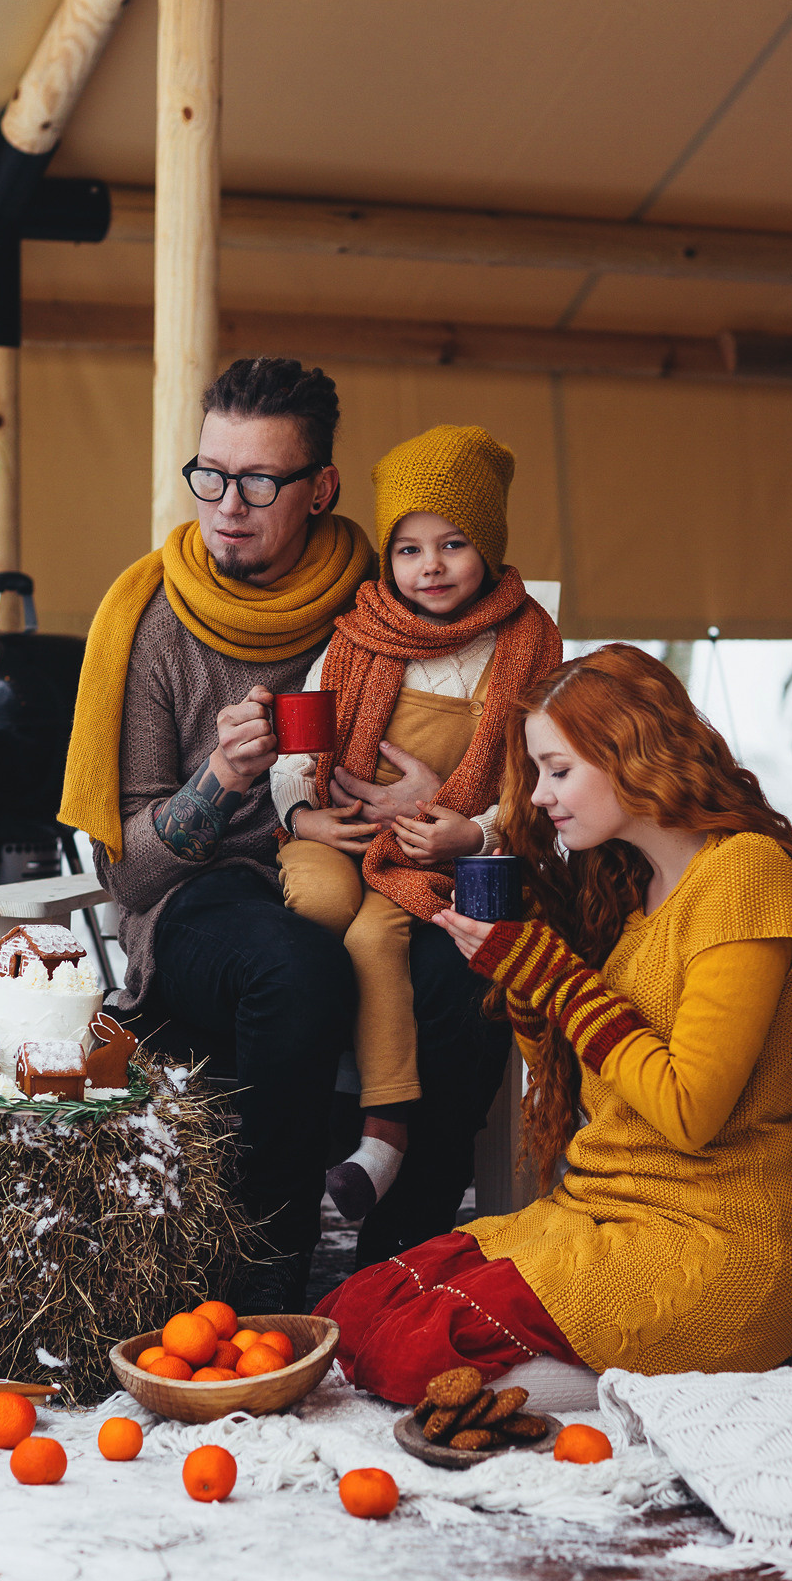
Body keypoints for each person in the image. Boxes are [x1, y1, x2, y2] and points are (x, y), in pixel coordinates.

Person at [58, 361, 510, 1308]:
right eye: (210, 475)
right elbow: (129, 877)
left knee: (464, 979)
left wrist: (444, 807)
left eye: (261, 482)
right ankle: (263, 1291)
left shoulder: (389, 599)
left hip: (382, 871)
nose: (227, 506)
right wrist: (219, 781)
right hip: (202, 904)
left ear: (322, 489)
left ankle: (396, 1276)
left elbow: (505, 714)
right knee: (292, 965)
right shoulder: (152, 622)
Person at [316, 644, 792, 1401]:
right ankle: (567, 1365)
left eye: (558, 770)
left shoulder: (744, 874)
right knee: (356, 1308)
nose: (538, 795)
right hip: (602, 1212)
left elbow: (689, 1110)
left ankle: (620, 1379)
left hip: (718, 1245)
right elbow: (596, 1063)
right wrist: (528, 989)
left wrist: (554, 976)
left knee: (407, 1356)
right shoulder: (633, 892)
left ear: (632, 752)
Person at [270, 425, 560, 1221]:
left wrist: (476, 833)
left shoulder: (524, 644)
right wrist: (303, 813)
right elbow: (298, 750)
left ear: (490, 546)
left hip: (439, 843)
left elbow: (539, 775)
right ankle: (325, 1096)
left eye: (453, 544)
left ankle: (382, 1136)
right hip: (345, 827)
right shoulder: (358, 636)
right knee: (325, 909)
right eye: (407, 548)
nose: (429, 566)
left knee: (371, 937)